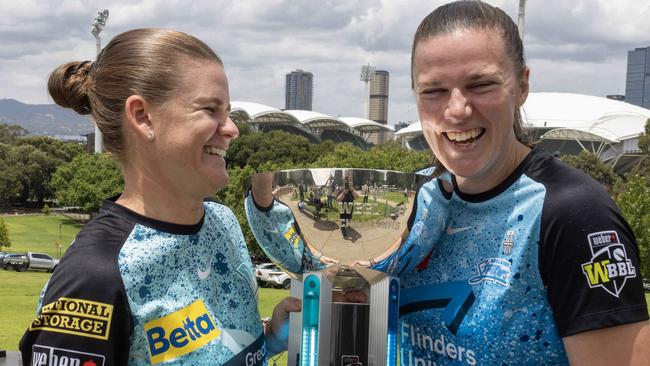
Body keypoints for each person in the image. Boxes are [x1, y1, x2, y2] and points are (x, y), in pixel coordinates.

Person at [367, 2, 650, 365]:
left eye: (481, 84)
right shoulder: (416, 200)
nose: (456, 110)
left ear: (522, 86)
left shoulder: (573, 212)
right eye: (433, 91)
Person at [19, 28, 300, 365]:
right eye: (210, 110)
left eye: (227, 111)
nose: (231, 129)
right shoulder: (95, 276)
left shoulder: (222, 223)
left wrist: (267, 341)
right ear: (142, 116)